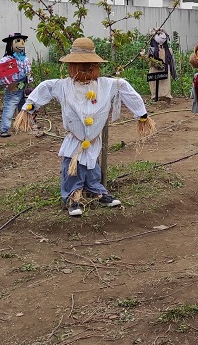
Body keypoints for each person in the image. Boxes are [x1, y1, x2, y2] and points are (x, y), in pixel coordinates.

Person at [20, 37, 152, 217]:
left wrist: (141, 114)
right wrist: (29, 107)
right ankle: (73, 199)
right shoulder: (63, 86)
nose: (86, 70)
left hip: (93, 139)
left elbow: (124, 87)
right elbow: (45, 87)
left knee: (92, 167)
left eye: (91, 66)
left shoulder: (106, 85)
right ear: (71, 66)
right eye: (80, 66)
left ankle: (97, 192)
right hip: (75, 139)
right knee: (71, 168)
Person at [0, 32, 32, 138]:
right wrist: (8, 83)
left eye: (22, 41)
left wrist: (29, 79)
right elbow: (0, 75)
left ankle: (25, 124)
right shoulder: (7, 60)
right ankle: (4, 129)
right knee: (10, 106)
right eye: (17, 41)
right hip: (14, 86)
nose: (21, 43)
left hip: (24, 85)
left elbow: (29, 71)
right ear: (11, 44)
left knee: (25, 105)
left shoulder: (25, 58)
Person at [146, 29, 177, 103]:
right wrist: (157, 64)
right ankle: (155, 97)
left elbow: (172, 63)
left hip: (165, 71)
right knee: (155, 85)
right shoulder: (152, 50)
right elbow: (149, 60)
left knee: (165, 85)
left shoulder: (169, 50)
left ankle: (166, 97)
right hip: (155, 71)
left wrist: (174, 74)